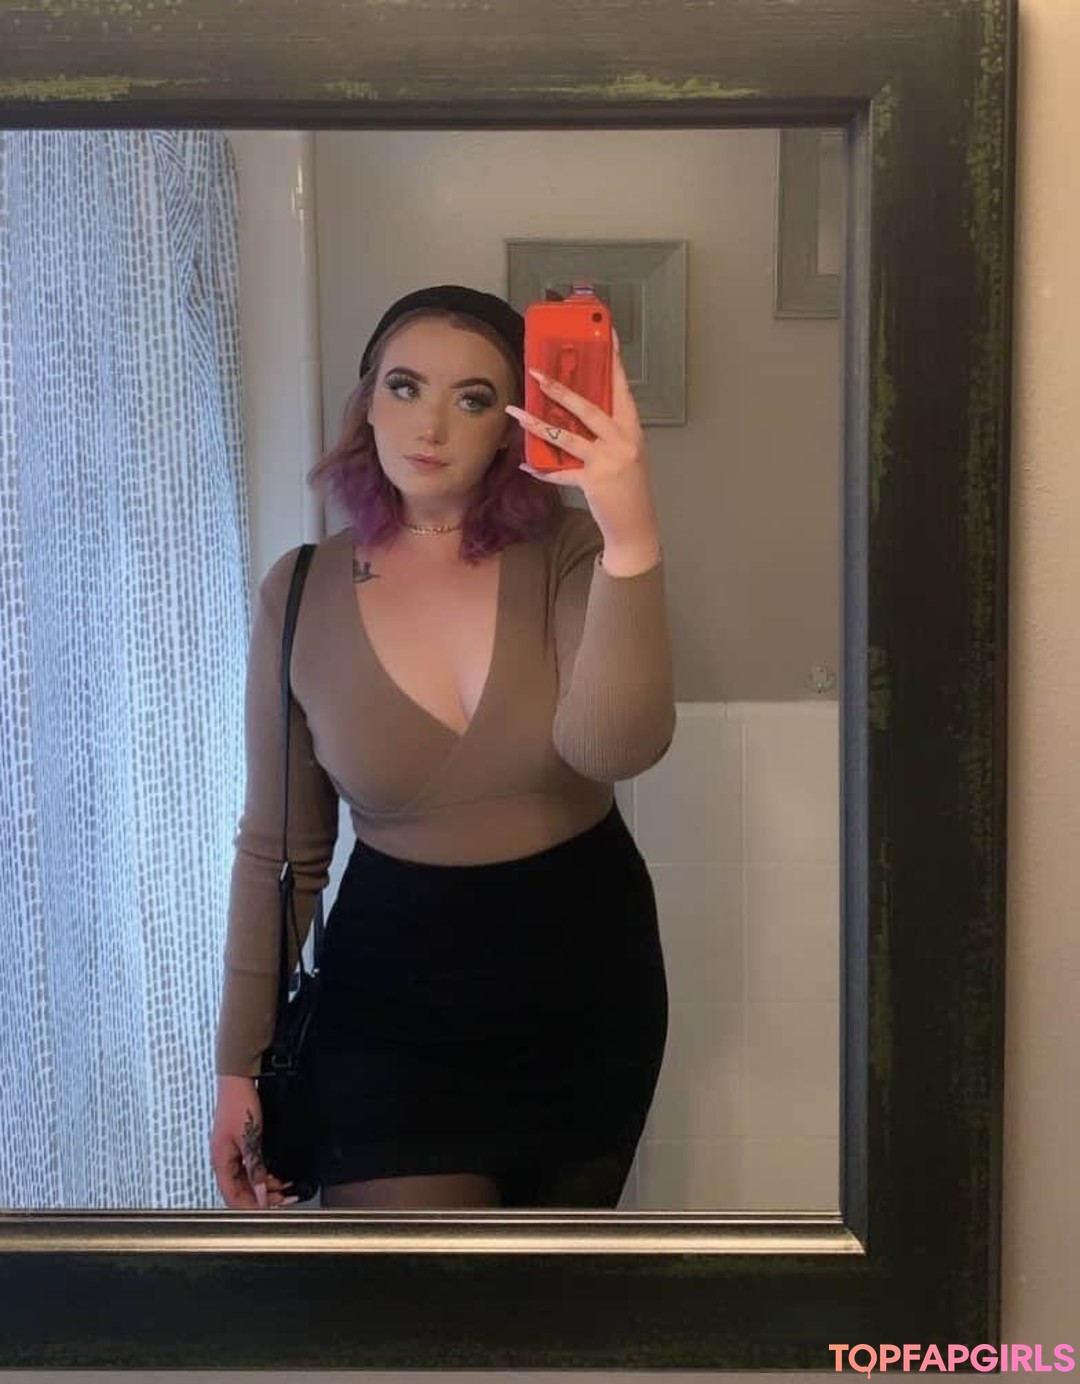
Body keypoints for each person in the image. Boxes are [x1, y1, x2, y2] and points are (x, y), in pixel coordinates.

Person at [210, 284, 676, 1211]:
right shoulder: (300, 592)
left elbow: (614, 746)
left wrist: (629, 530)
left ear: (509, 428)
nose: (430, 425)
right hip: (391, 1001)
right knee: (414, 1290)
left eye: (473, 398)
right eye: (405, 386)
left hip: (585, 981)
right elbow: (280, 850)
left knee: (545, 1294)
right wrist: (237, 1065)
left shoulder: (571, 553)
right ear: (366, 403)